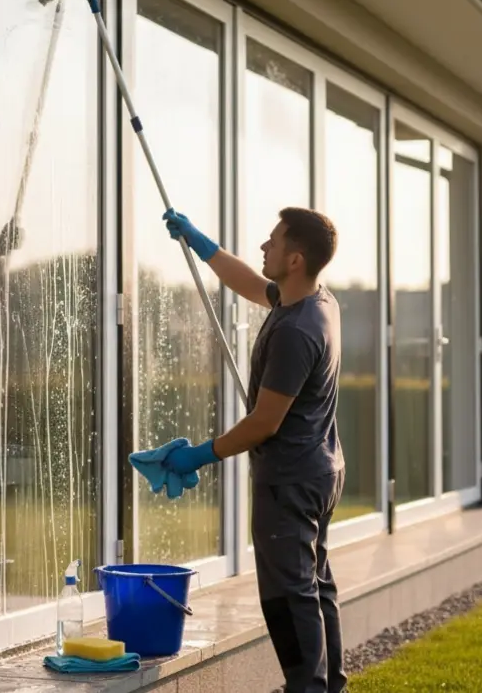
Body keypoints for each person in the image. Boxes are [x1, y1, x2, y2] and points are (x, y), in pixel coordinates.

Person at [159, 206, 347, 693]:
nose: (264, 246)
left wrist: (197, 456)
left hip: (290, 478)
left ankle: (307, 687)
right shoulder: (315, 302)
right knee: (315, 585)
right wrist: (201, 244)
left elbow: (264, 423)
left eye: (273, 241)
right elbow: (248, 283)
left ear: (295, 260)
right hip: (321, 469)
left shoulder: (294, 332)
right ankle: (328, 686)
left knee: (288, 596)